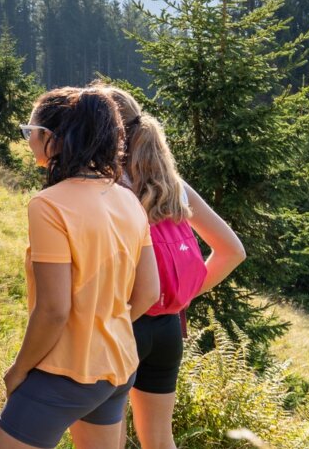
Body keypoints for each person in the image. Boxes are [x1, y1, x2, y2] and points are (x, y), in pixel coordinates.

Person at [0, 87, 160, 449]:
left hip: (64, 372)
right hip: (118, 367)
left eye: (30, 130)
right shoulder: (128, 199)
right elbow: (148, 292)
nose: (28, 138)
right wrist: (104, 328)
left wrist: (18, 370)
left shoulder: (49, 205)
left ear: (51, 139)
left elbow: (54, 310)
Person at [99, 86, 246, 449]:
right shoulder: (172, 186)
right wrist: (178, 293)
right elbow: (232, 250)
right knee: (160, 440)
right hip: (167, 327)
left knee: (107, 438)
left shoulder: (105, 187)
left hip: (121, 321)